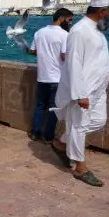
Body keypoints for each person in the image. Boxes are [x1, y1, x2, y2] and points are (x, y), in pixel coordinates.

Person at [50, 0, 109, 187]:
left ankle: (61, 143)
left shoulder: (96, 31)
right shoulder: (79, 31)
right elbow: (73, 64)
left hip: (98, 90)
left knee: (98, 121)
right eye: (108, 12)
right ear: (101, 12)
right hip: (84, 90)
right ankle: (80, 167)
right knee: (79, 126)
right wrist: (80, 94)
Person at [26, 8, 73, 142]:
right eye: (69, 20)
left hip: (42, 76)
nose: (70, 23)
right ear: (61, 18)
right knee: (54, 108)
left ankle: (35, 133)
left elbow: (33, 51)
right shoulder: (64, 35)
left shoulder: (39, 32)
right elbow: (64, 56)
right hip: (57, 78)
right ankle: (48, 136)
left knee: (40, 106)